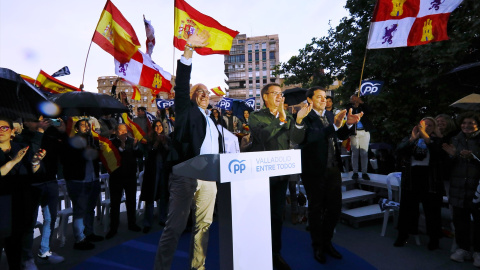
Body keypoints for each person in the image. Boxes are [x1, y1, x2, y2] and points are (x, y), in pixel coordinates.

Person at [154, 29, 224, 270]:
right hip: (186, 176)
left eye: (206, 92)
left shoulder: (213, 121)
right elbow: (182, 85)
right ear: (193, 97)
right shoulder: (187, 112)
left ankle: (198, 266)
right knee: (174, 228)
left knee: (204, 226)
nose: (204, 95)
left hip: (209, 179)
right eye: (200, 92)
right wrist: (189, 49)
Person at [249, 83, 311, 270]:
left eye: (280, 93)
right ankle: (256, 252)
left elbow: (297, 139)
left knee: (277, 216)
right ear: (265, 97)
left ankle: (275, 253)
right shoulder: (256, 116)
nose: (278, 96)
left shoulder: (289, 117)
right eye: (274, 93)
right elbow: (262, 137)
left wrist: (298, 122)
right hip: (260, 175)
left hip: (280, 174)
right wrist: (281, 121)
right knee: (260, 216)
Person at [299, 87, 362, 264]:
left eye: (325, 97)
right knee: (316, 209)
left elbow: (337, 135)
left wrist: (348, 124)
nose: (323, 99)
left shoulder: (328, 116)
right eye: (319, 97)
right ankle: (317, 245)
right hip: (314, 170)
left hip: (333, 168)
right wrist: (334, 125)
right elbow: (311, 137)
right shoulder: (303, 116)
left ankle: (327, 243)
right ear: (310, 100)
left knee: (334, 208)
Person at [17, 118, 65, 268]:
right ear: (25, 123)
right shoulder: (20, 138)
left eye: (42, 120)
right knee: (29, 223)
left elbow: (61, 153)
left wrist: (63, 132)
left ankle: (45, 250)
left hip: (50, 182)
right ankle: (27, 258)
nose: (41, 122)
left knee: (50, 218)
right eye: (34, 120)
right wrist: (39, 132)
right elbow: (34, 155)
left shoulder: (50, 135)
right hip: (31, 184)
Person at [0, 116, 46, 269]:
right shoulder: (17, 154)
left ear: (12, 131)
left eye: (4, 128)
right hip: (1, 207)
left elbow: (34, 172)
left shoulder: (22, 148)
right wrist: (13, 162)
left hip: (19, 205)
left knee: (15, 251)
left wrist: (35, 162)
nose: (1, 131)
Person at [393, 117, 444, 251]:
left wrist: (427, 138)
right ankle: (402, 235)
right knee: (407, 209)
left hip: (430, 179)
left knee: (432, 211)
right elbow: (399, 151)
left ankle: (434, 239)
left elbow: (440, 155)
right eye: (423, 124)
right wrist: (412, 139)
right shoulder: (411, 138)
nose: (426, 127)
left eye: (430, 125)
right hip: (411, 178)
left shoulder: (437, 140)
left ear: (434, 128)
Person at [442, 112, 480, 266]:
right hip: (458, 188)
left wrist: (474, 158)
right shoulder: (455, 140)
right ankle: (463, 249)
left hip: (477, 188)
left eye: (471, 123)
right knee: (460, 220)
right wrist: (451, 156)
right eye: (464, 123)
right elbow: (446, 169)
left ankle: (478, 251)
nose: (467, 126)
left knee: (479, 222)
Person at [61, 119, 104, 250]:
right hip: (78, 181)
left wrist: (97, 151)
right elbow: (68, 161)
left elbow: (96, 159)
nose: (86, 127)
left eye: (87, 125)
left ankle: (89, 233)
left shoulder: (93, 140)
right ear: (77, 129)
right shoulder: (71, 142)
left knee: (90, 208)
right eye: (83, 125)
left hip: (92, 178)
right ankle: (79, 239)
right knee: (80, 210)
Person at [106, 124, 141, 239]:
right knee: (115, 203)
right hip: (116, 177)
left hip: (130, 176)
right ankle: (113, 227)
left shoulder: (132, 141)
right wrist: (121, 147)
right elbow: (112, 156)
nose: (123, 133)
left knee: (131, 200)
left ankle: (132, 223)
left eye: (125, 131)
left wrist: (135, 147)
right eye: (121, 131)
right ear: (116, 132)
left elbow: (138, 155)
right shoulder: (111, 143)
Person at [140, 120, 171, 232]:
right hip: (152, 171)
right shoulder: (147, 138)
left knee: (163, 195)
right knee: (150, 196)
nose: (158, 128)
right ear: (153, 128)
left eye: (160, 126)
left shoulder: (167, 138)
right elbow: (146, 153)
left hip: (163, 171)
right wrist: (156, 144)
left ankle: (162, 218)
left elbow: (170, 153)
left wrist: (164, 144)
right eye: (156, 126)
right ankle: (147, 222)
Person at [346, 94, 373, 180]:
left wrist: (361, 103)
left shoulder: (363, 107)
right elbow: (348, 115)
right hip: (354, 132)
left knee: (364, 152)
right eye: (352, 99)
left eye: (356, 98)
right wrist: (355, 106)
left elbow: (370, 111)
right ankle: (355, 172)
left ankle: (364, 172)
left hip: (364, 131)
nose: (354, 100)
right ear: (350, 100)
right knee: (355, 153)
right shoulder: (348, 107)